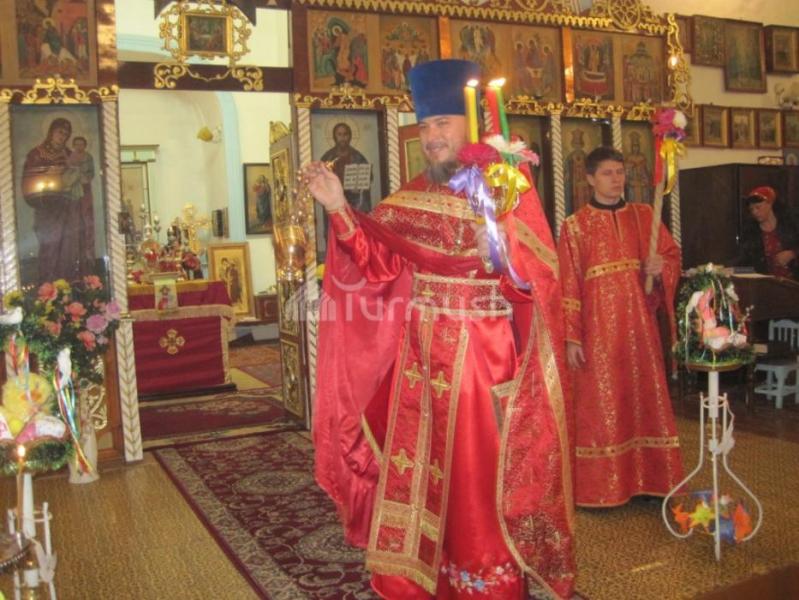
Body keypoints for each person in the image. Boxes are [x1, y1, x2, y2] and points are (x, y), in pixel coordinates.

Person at [307, 59, 575, 599]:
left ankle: (484, 584)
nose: (431, 136)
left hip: (481, 360)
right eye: (425, 125)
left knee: (475, 478)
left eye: (442, 123)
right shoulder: (412, 193)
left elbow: (543, 278)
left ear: (472, 124)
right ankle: (419, 577)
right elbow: (378, 262)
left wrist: (505, 255)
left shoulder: (508, 187)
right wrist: (338, 207)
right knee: (422, 470)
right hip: (418, 360)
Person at [556, 146, 684, 507]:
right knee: (603, 406)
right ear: (590, 179)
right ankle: (603, 487)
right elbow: (567, 285)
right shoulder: (575, 226)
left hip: (640, 328)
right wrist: (572, 337)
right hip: (598, 333)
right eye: (607, 173)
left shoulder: (645, 216)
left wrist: (661, 267)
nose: (616, 179)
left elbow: (672, 258)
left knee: (643, 399)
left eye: (620, 172)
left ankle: (650, 479)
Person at [21, 117, 95, 283]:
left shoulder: (70, 154)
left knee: (68, 248)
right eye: (60, 132)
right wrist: (51, 179)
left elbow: (82, 179)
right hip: (48, 209)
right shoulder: (37, 154)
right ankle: (47, 287)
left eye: (66, 134)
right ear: (51, 132)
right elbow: (29, 183)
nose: (63, 136)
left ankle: (66, 286)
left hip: (69, 208)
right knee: (50, 247)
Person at [737, 185, 799, 280]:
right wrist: (732, 270)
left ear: (770, 204)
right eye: (751, 209)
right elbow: (749, 266)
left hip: (794, 283)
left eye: (758, 207)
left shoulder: (791, 224)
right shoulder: (750, 233)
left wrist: (793, 254)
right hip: (768, 285)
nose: (754, 212)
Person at [319, 122, 372, 212]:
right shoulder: (328, 157)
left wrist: (359, 187)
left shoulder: (358, 157)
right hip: (334, 201)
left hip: (354, 202)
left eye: (345, 134)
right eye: (339, 134)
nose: (342, 138)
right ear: (334, 136)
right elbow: (321, 180)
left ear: (350, 136)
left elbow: (367, 177)